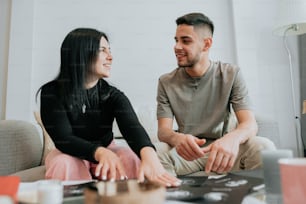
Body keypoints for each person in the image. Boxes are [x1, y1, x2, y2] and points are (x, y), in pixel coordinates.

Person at [38, 28, 181, 187]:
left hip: (107, 149)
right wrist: (99, 152)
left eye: (110, 50)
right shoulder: (52, 93)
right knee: (63, 164)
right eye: (103, 50)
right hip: (69, 151)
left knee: (131, 159)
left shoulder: (112, 95)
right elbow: (64, 138)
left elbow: (132, 128)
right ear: (81, 53)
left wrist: (150, 156)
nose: (110, 57)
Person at [156, 12, 276, 176]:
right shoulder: (166, 82)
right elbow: (163, 131)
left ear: (206, 45)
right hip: (188, 154)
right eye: (176, 40)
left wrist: (232, 139)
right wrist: (178, 139)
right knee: (155, 152)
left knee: (264, 147)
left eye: (186, 41)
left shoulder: (231, 74)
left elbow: (249, 124)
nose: (177, 47)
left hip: (224, 150)